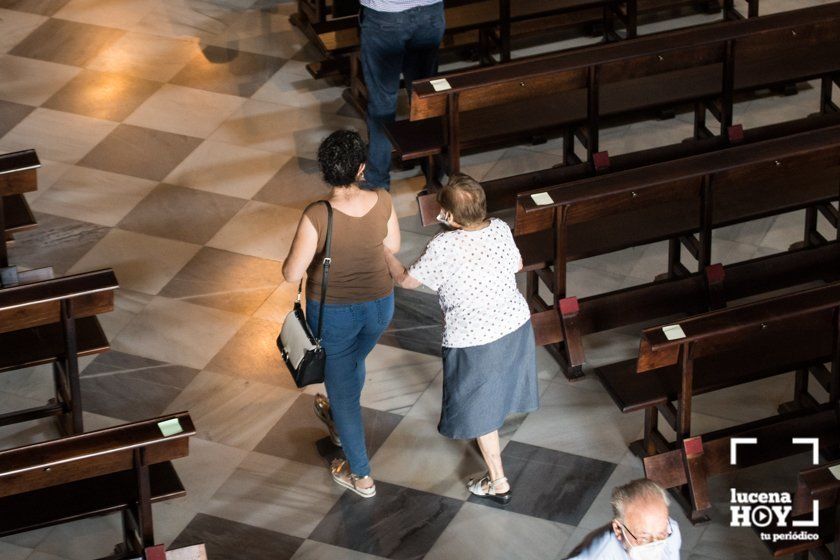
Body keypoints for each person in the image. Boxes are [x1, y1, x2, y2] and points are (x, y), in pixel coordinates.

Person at [383, 173, 539, 503]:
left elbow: (407, 282)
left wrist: (385, 255)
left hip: (474, 337)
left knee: (480, 408)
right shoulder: (498, 228)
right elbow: (519, 263)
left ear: (450, 217)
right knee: (495, 394)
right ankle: (493, 452)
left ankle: (498, 481)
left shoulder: (443, 246)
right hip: (514, 324)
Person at [282, 129, 400, 498]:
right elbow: (392, 245)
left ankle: (361, 475)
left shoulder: (317, 215)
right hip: (381, 306)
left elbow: (290, 273)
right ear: (361, 168)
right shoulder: (382, 200)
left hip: (334, 313)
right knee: (350, 364)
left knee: (344, 390)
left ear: (325, 171)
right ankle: (337, 420)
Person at [359, 0, 445, 189]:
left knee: (382, 103)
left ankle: (377, 182)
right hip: (429, 11)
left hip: (385, 13)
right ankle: (432, 172)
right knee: (424, 99)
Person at [567, 479, 682, 560]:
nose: (656, 545)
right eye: (644, 538)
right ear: (617, 529)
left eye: (661, 534)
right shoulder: (595, 556)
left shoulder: (670, 530)